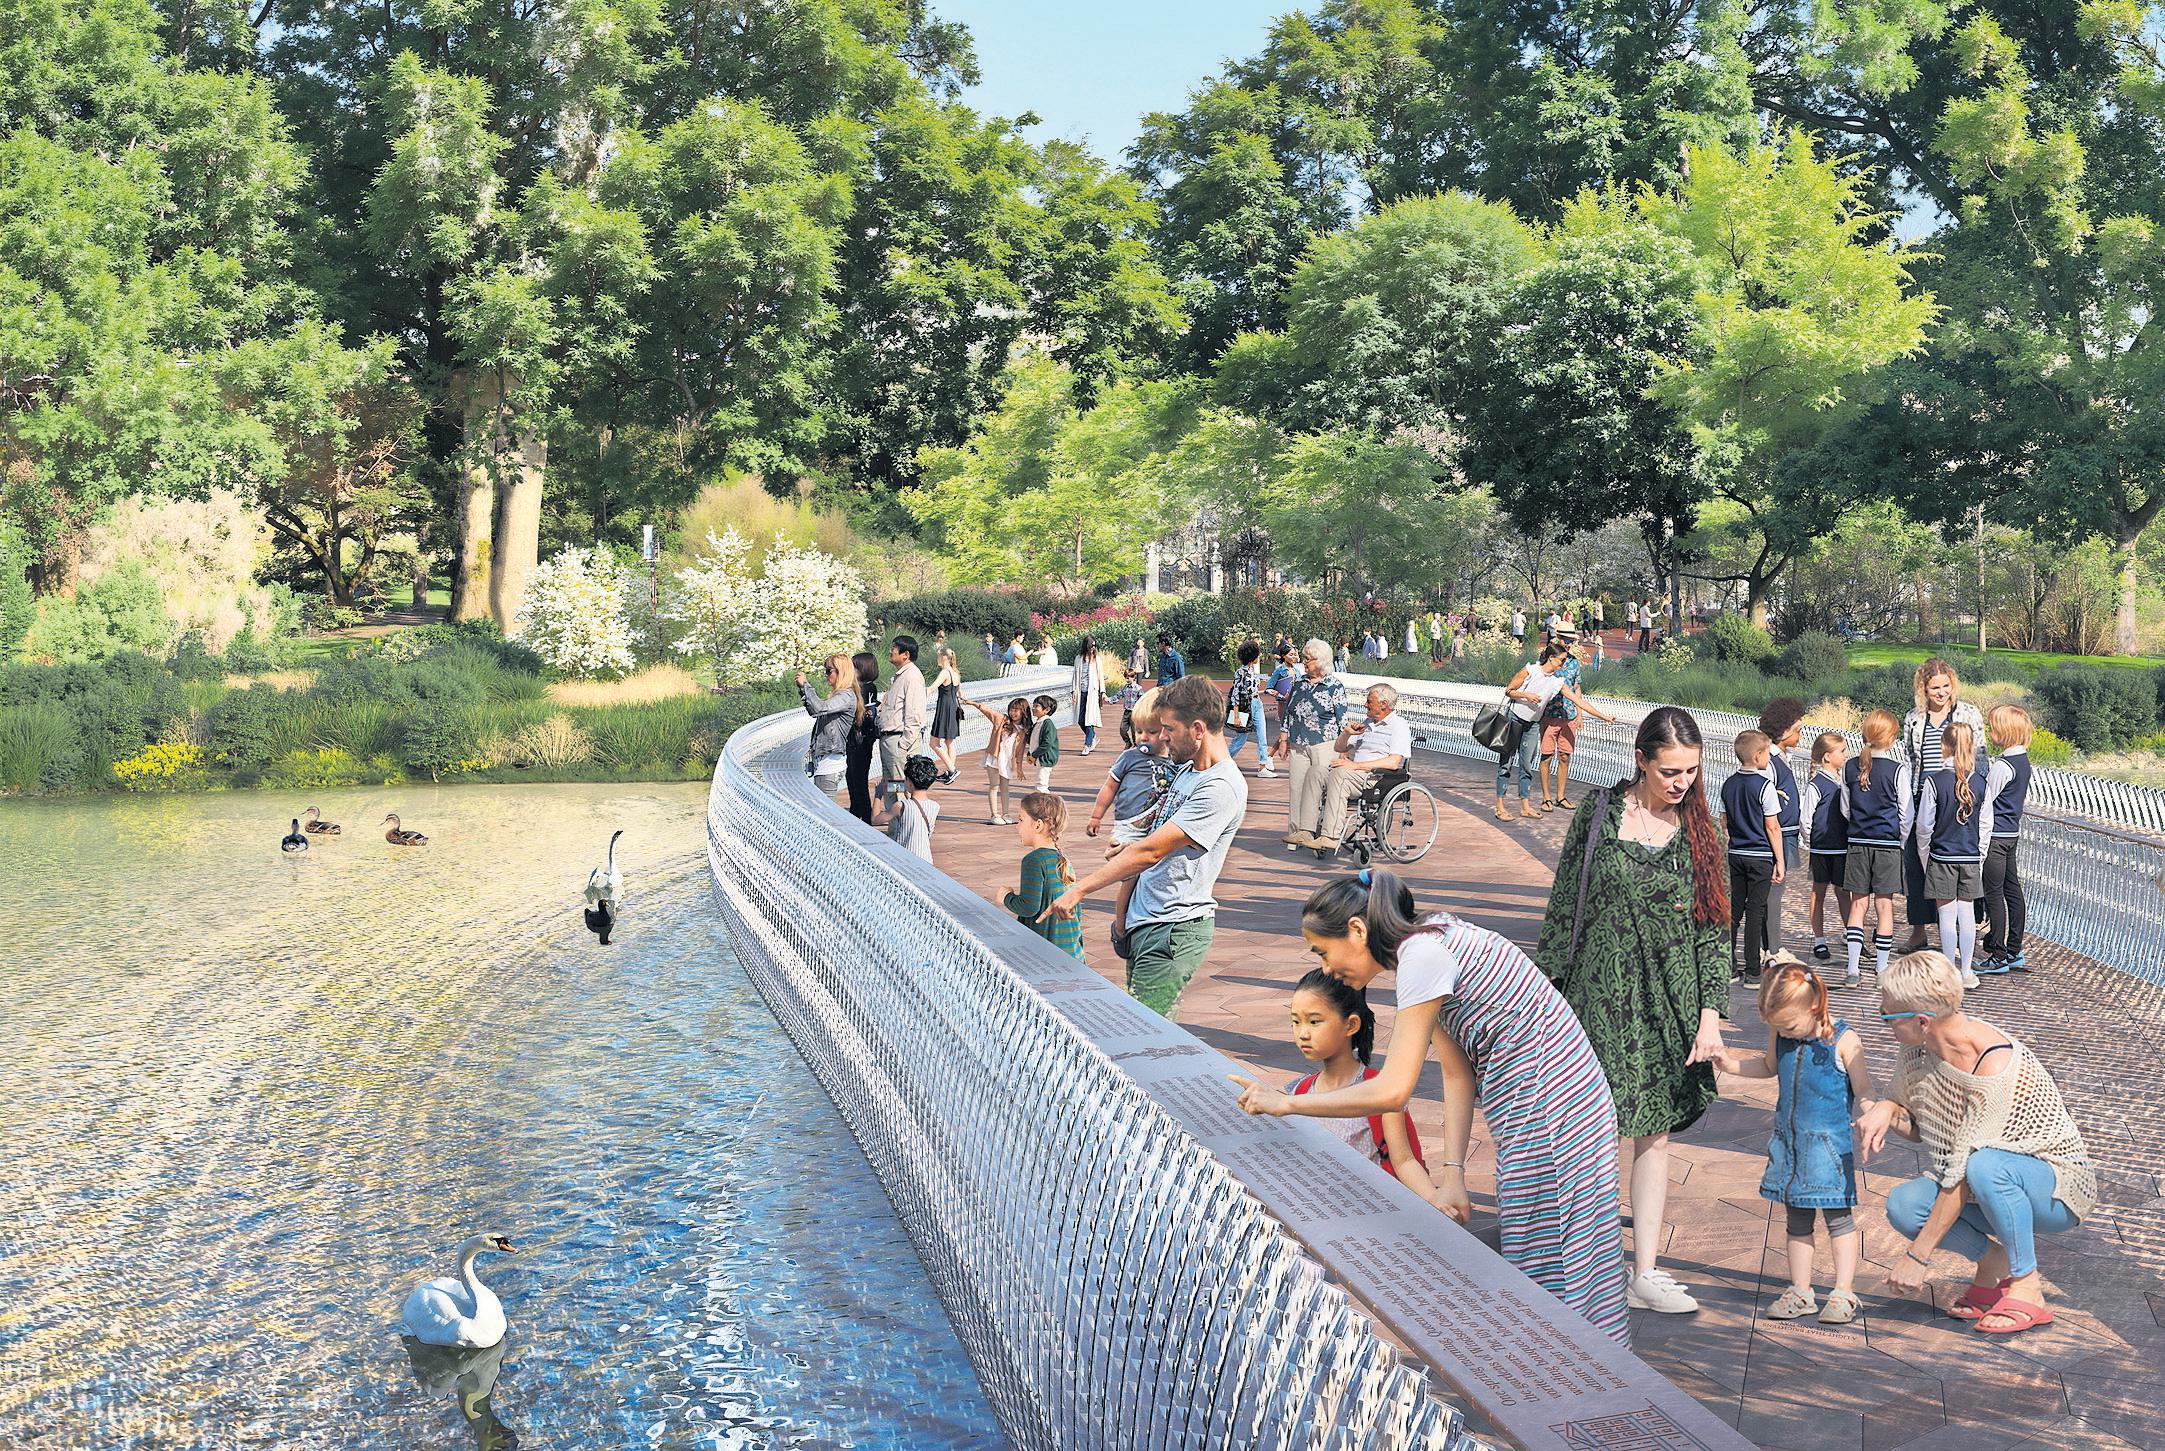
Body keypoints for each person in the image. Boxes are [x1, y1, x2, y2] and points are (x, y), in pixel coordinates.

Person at [1234, 870, 1629, 1342]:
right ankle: (1584, 1379)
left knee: (1556, 1262)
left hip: (1552, 1114)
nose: (1324, 968)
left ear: (1357, 932)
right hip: (1557, 1107)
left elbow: (1394, 1090)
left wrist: (1288, 1106)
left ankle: (1580, 1383)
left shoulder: (1423, 957)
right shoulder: (1431, 940)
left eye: (1322, 950)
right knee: (1562, 1255)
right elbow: (1455, 1071)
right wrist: (1453, 1175)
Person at [1537, 707, 1731, 1316]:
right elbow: (1564, 910)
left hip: (1667, 1003)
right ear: (1641, 761)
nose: (1682, 783)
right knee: (1583, 1132)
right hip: (1595, 997)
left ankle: (1644, 1271)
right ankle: (1573, 1259)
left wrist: (1710, 1014)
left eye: (1692, 772)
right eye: (1670, 771)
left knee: (1653, 1135)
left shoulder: (1703, 831)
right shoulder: (1597, 816)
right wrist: (1543, 998)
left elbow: (1714, 931)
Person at [1856, 951, 2096, 1337]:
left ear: (1921, 1021)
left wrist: (1918, 1257)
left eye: (1887, 1017)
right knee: (1905, 1205)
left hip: (2053, 1190)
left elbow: (1965, 1173)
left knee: (1985, 1166)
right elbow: (1917, 1125)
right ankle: (1993, 1263)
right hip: (1985, 1183)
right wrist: (1886, 1107)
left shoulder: (1995, 1066)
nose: (1884, 1023)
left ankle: (2027, 1284)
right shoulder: (1918, 1047)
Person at [1042, 674, 1248, 1015]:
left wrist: (1080, 890)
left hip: (1173, 928)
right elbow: (1153, 838)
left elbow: (1151, 851)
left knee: (1147, 1032)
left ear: (1197, 730)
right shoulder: (1188, 771)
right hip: (1149, 918)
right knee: (1141, 1024)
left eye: (1169, 729)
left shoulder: (1221, 787)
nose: (1162, 738)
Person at [1715, 960, 1877, 1326]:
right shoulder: (1782, 1033)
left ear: (1815, 1006)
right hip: (1789, 1145)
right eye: (1776, 1027)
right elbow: (1769, 1066)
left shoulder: (1844, 1041)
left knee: (1838, 1220)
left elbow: (1865, 1089)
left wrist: (1871, 1112)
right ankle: (1801, 1291)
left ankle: (1843, 1292)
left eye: (1788, 1025)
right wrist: (1729, 1064)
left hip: (1827, 1150)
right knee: (1796, 1220)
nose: (1783, 1032)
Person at [1276, 967, 1433, 1195]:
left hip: (1373, 1217)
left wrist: (1436, 1202)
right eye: (1295, 1021)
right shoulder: (1297, 1092)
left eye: (1314, 1022)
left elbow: (1405, 1161)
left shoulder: (1380, 1091)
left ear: (1351, 1025)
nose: (1303, 1033)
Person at [1899, 658, 1986, 952]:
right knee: (1918, 864)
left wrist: (1977, 791)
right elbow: (1911, 760)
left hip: (1958, 794)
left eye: (1946, 686)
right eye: (1935, 687)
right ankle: (1919, 930)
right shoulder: (1913, 718)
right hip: (1924, 792)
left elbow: (1981, 756)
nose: (1941, 693)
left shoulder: (1968, 714)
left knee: (1959, 863)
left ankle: (1963, 935)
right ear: (1923, 688)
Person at [1085, 690, 1176, 957]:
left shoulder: (1175, 761)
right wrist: (1095, 816)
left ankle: (1151, 922)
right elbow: (1109, 786)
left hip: (1156, 828)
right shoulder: (1130, 757)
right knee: (1130, 877)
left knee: (1153, 875)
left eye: (1151, 731)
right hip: (1129, 828)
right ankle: (1121, 927)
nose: (1143, 738)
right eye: (1138, 731)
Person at [1917, 720, 1991, 988]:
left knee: (1946, 916)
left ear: (1943, 746)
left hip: (1941, 856)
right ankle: (1967, 971)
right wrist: (1979, 858)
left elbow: (1924, 827)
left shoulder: (1934, 782)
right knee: (1967, 914)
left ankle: (1948, 970)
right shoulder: (1981, 783)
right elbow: (1986, 826)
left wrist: (1925, 857)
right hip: (1970, 857)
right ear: (1970, 747)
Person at [1841, 708, 1913, 986]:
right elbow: (1906, 814)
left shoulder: (1850, 766)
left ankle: (1852, 967)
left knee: (1857, 906)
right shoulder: (1897, 771)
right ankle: (1882, 967)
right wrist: (1900, 841)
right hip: (1886, 844)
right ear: (1892, 738)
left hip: (1857, 843)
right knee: (1885, 907)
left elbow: (1845, 808)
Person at [1310, 683, 1412, 855]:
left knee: (1340, 773)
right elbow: (1340, 748)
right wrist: (1346, 733)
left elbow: (1393, 762)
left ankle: (1331, 836)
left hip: (1376, 778)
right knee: (1316, 772)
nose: (1365, 704)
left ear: (1384, 704)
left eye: (1369, 701)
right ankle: (1306, 830)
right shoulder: (1366, 723)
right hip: (1354, 774)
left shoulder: (1398, 725)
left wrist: (1354, 765)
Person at [1721, 729, 1786, 986]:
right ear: (1758, 756)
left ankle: (1729, 967)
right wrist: (1779, 860)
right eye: (1768, 753)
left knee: (1734, 910)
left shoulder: (1729, 784)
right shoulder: (1765, 786)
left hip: (1736, 853)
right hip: (1759, 856)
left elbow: (1724, 820)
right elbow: (1773, 826)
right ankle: (1752, 971)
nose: (1769, 758)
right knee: (1755, 911)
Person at [1272, 639, 1346, 850]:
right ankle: (1296, 835)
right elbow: (1288, 713)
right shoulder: (1299, 683)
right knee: (1296, 789)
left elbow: (1342, 720)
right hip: (1298, 744)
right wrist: (1283, 738)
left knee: (1318, 791)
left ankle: (1317, 832)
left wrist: (1343, 750)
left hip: (1325, 745)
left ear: (1321, 661)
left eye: (1308, 659)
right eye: (1303, 658)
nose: (1304, 662)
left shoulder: (1334, 686)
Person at [1535, 629, 1618, 811]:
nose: (1568, 643)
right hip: (1550, 715)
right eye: (1565, 640)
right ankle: (1546, 797)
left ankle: (1560, 796)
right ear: (1558, 638)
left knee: (1564, 756)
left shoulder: (1573, 662)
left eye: (1571, 641)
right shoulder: (1546, 659)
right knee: (1547, 756)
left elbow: (1576, 689)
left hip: (1569, 715)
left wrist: (1579, 714)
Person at [1797, 731, 1855, 979]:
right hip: (1823, 848)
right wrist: (1812, 841)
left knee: (1844, 892)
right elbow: (1805, 818)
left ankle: (1850, 933)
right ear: (1827, 757)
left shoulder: (1843, 782)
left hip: (1841, 847)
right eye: (1842, 751)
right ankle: (1819, 938)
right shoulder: (1816, 785)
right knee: (1818, 892)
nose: (1846, 755)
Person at [1980, 705, 2032, 974]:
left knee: (1994, 894)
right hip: (2012, 834)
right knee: (2013, 891)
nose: (1990, 732)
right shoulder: (2023, 762)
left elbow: (1987, 804)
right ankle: (2014, 950)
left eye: (1993, 727)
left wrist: (1980, 841)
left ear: (2006, 731)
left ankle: (1997, 954)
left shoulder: (2002, 766)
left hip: (1995, 838)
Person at [1005, 792, 1085, 959]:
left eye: (1021, 820)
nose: (1017, 826)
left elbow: (1028, 907)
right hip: (1072, 952)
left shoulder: (1034, 860)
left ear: (1038, 825)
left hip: (1047, 956)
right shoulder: (1063, 860)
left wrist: (1006, 897)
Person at [1757, 697, 1807, 958]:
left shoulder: (1782, 757)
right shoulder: (1770, 762)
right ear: (1784, 732)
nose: (1800, 734)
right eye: (1797, 730)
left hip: (1787, 833)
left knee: (1776, 890)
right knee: (1774, 891)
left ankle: (1771, 945)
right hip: (1777, 834)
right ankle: (1772, 949)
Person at [1494, 641, 1565, 822]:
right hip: (1514, 718)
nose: (1563, 664)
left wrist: (1602, 716)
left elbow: (1577, 700)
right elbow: (1509, 690)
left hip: (1532, 724)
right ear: (1551, 658)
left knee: (1527, 765)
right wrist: (1526, 695)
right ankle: (1500, 806)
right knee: (1506, 762)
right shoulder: (1530, 670)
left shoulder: (1556, 681)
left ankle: (1524, 806)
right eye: (1561, 660)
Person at [796, 652, 860, 798]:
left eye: (828, 671)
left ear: (841, 672)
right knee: (822, 809)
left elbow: (818, 708)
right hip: (826, 761)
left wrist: (806, 685)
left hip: (830, 763)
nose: (826, 675)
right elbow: (815, 711)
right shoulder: (840, 696)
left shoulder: (845, 696)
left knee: (824, 812)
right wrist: (802, 689)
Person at [877, 635, 928, 806]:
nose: (890, 651)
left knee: (900, 788)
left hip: (898, 741)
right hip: (890, 740)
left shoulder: (912, 677)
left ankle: (901, 827)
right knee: (891, 787)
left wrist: (903, 745)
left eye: (894, 648)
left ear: (905, 654)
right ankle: (894, 828)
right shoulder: (900, 676)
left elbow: (914, 714)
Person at [966, 695, 1031, 826]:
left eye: (1016, 710)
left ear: (1023, 711)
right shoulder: (1002, 720)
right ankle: (994, 814)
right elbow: (988, 711)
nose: (1013, 713)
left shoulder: (1024, 730)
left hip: (1006, 761)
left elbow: (1020, 752)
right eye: (1011, 709)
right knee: (994, 785)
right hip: (994, 758)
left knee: (1005, 787)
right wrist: (973, 703)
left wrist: (1019, 769)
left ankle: (1006, 813)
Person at [875, 754, 942, 864]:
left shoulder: (900, 806)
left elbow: (875, 819)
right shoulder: (935, 806)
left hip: (905, 861)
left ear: (909, 782)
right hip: (926, 860)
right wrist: (909, 797)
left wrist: (878, 794)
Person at [1223, 639, 1276, 778]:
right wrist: (1235, 714)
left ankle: (1262, 767)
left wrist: (1265, 692)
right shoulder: (1240, 673)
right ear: (1253, 657)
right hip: (1243, 706)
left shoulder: (1252, 671)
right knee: (1241, 737)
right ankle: (1222, 762)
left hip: (1256, 704)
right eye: (1257, 655)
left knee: (1262, 736)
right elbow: (1235, 694)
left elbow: (1251, 691)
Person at [845, 652, 881, 824]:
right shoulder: (864, 687)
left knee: (858, 779)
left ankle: (865, 816)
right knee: (852, 777)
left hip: (861, 740)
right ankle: (857, 811)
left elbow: (865, 715)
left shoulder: (866, 688)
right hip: (858, 740)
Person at [928, 645, 963, 782]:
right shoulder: (956, 673)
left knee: (933, 743)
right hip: (953, 707)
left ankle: (952, 770)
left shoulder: (944, 672)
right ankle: (950, 772)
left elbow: (932, 688)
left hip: (944, 708)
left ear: (943, 657)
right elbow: (960, 693)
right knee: (949, 742)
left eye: (938, 656)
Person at [1069, 636, 1106, 754]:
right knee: (1080, 720)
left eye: (1094, 646)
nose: (1092, 648)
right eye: (1091, 646)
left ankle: (1087, 745)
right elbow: (1075, 676)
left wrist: (1102, 692)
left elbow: (1100, 676)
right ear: (1086, 646)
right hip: (1081, 691)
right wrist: (1074, 691)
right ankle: (1093, 737)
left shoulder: (1097, 660)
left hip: (1092, 692)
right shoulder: (1078, 659)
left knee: (1089, 719)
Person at [1026, 693, 1060, 793]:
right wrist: (1030, 754)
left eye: (1037, 706)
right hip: (1039, 758)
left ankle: (1045, 805)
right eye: (1033, 705)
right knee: (1039, 783)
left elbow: (1047, 743)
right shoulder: (1038, 722)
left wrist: (1034, 755)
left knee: (1041, 785)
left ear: (1047, 710)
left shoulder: (1047, 723)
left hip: (1045, 758)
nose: (1033, 708)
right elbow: (1033, 740)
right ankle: (1042, 804)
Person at [1114, 670, 1145, 748]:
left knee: (1134, 730)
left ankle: (1136, 745)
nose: (1126, 680)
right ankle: (1128, 742)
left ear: (1133, 677)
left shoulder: (1138, 688)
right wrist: (1109, 699)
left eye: (1128, 678)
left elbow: (1142, 699)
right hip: (1127, 712)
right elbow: (1118, 696)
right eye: (1126, 678)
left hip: (1134, 712)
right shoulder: (1125, 687)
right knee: (1122, 729)